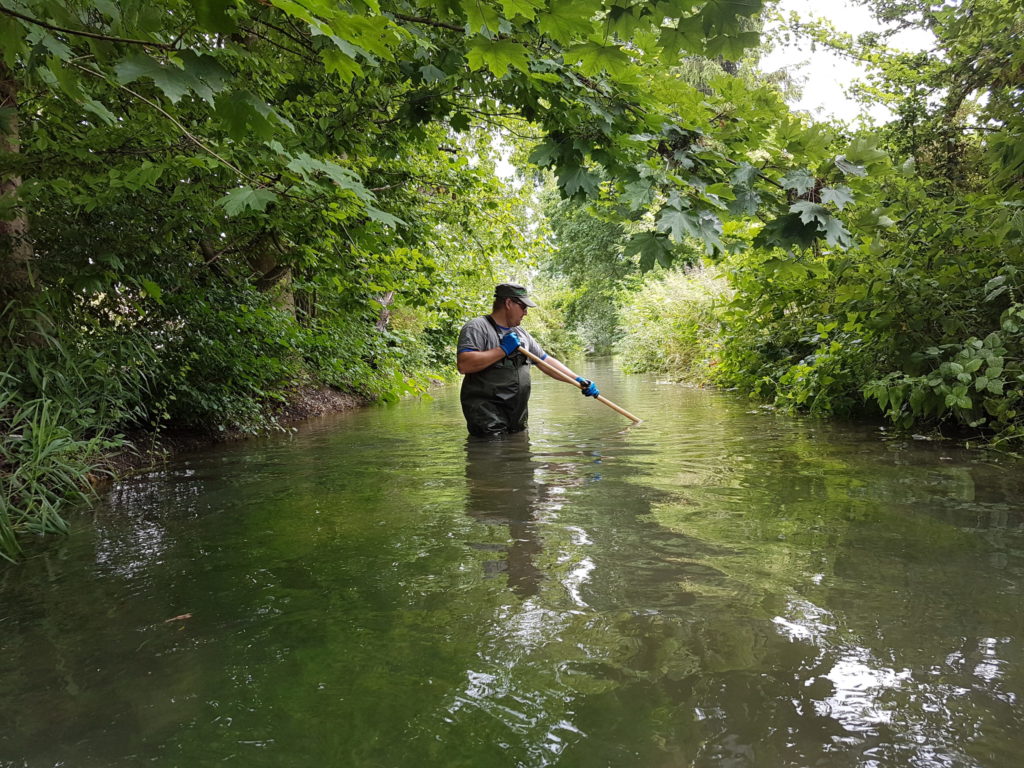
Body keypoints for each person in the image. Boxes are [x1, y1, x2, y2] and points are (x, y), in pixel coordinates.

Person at [456, 283, 599, 437]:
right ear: (508, 303)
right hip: (487, 417)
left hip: (517, 416)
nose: (526, 313)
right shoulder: (477, 327)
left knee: (521, 454)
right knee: (493, 454)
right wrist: (502, 350)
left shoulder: (521, 333)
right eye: (523, 307)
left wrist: (577, 380)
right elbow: (464, 364)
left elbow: (545, 361)